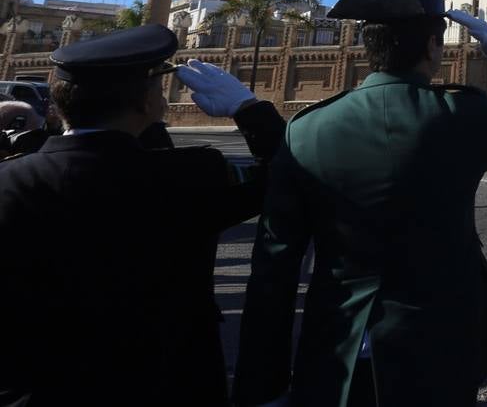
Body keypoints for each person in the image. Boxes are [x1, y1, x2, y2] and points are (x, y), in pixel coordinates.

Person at [232, 0, 487, 407]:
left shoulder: (307, 128)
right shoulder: (461, 115)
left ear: (370, 48)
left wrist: (264, 386)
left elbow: (274, 263)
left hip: (338, 348)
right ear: (431, 47)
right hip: (440, 344)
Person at [0, 24, 284, 407]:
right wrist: (250, 110)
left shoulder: (10, 180)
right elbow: (284, 181)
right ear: (146, 103)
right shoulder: (191, 174)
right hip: (170, 385)